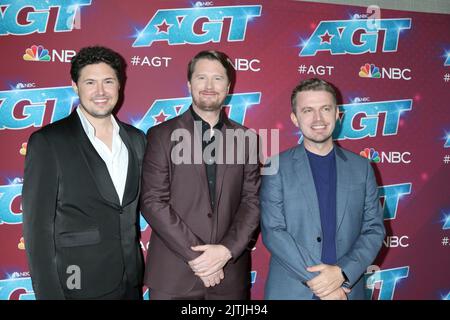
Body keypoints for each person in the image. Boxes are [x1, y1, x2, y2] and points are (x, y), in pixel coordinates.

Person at [22, 46, 146, 300]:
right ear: (76, 86)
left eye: (108, 81)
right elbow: (37, 230)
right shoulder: (49, 142)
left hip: (130, 281)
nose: (100, 91)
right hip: (77, 285)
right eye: (90, 82)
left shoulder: (136, 139)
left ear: (119, 85)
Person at [140, 50, 260, 300]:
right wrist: (199, 258)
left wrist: (226, 251)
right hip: (173, 275)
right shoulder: (161, 135)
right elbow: (153, 202)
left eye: (217, 78)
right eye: (201, 77)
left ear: (228, 86)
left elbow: (252, 201)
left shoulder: (247, 139)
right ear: (189, 83)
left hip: (229, 276)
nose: (208, 86)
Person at [260, 78, 385, 300]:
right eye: (307, 110)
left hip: (347, 289)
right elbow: (273, 232)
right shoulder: (275, 166)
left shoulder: (362, 167)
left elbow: (374, 230)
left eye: (325, 109)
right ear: (295, 119)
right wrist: (324, 284)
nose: (318, 118)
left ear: (338, 114)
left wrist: (342, 273)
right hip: (292, 291)